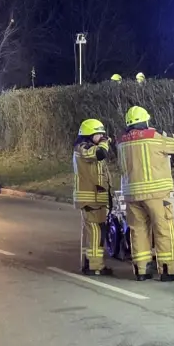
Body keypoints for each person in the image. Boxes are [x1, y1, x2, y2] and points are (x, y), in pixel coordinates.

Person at [117, 106, 174, 281]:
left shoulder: (121, 141)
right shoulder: (155, 137)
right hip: (157, 194)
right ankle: (168, 270)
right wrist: (166, 133)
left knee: (138, 232)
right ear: (146, 121)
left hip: (132, 194)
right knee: (164, 230)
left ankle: (141, 270)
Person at [73, 118, 113, 276]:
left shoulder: (88, 148)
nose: (102, 137)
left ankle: (92, 263)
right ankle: (95, 266)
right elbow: (100, 154)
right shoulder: (83, 148)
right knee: (96, 232)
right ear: (89, 135)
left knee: (97, 232)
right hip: (90, 198)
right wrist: (104, 142)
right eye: (99, 134)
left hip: (96, 198)